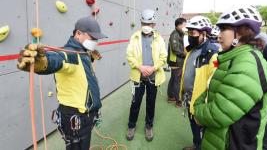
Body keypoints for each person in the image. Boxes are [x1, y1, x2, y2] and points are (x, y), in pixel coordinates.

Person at [17, 16, 107, 150]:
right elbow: (57, 60)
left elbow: (80, 68)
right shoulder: (69, 54)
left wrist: (90, 56)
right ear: (78, 34)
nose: (95, 41)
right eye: (92, 38)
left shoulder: (83, 53)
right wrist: (43, 63)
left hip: (85, 117)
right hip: (75, 117)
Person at [194, 5, 267, 150]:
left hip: (234, 143)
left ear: (240, 33)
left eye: (223, 29)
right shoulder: (234, 58)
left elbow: (219, 112)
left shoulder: (247, 64)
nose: (219, 35)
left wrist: (197, 111)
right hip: (223, 138)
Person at [125, 9, 167, 142]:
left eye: (149, 23)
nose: (146, 26)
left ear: (154, 24)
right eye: (144, 23)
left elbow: (163, 57)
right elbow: (129, 56)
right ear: (141, 22)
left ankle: (149, 126)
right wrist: (140, 67)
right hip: (138, 77)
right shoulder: (135, 37)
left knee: (151, 103)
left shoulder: (159, 38)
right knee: (135, 103)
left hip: (153, 78)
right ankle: (131, 126)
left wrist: (153, 68)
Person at [180, 16, 219, 150]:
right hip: (190, 98)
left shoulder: (212, 53)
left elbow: (214, 82)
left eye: (193, 33)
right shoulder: (192, 49)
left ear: (203, 33)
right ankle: (197, 145)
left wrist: (204, 107)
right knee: (193, 125)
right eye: (188, 33)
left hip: (201, 102)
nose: (190, 36)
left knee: (204, 130)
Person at [167, 17, 187, 107]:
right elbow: (176, 49)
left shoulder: (180, 33)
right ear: (178, 25)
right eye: (184, 24)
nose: (185, 26)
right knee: (177, 81)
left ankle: (171, 96)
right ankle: (178, 101)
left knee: (173, 79)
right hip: (176, 61)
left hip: (176, 61)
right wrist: (185, 54)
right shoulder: (175, 35)